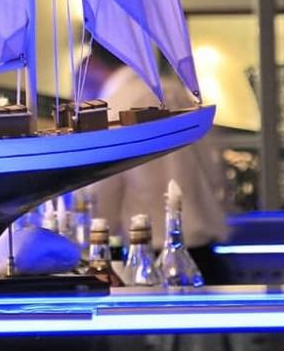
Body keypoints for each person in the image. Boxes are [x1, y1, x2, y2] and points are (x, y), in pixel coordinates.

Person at [84, 50, 228, 283]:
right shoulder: (176, 92)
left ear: (92, 63)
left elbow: (102, 191)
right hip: (205, 253)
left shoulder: (114, 106)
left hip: (148, 257)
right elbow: (214, 169)